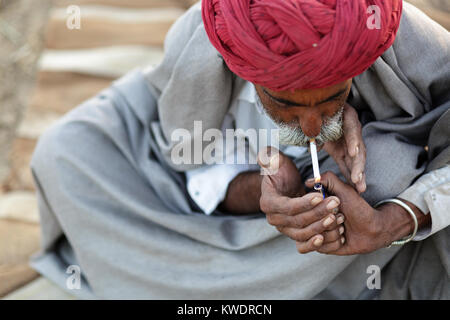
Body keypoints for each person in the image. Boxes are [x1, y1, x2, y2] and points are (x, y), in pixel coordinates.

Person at [30, 0, 449, 299]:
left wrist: (397, 221)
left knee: (383, 175)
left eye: (330, 98)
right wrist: (264, 188)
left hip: (346, 234)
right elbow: (188, 151)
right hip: (181, 175)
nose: (312, 124)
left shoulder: (392, 35)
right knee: (65, 153)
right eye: (285, 103)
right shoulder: (208, 37)